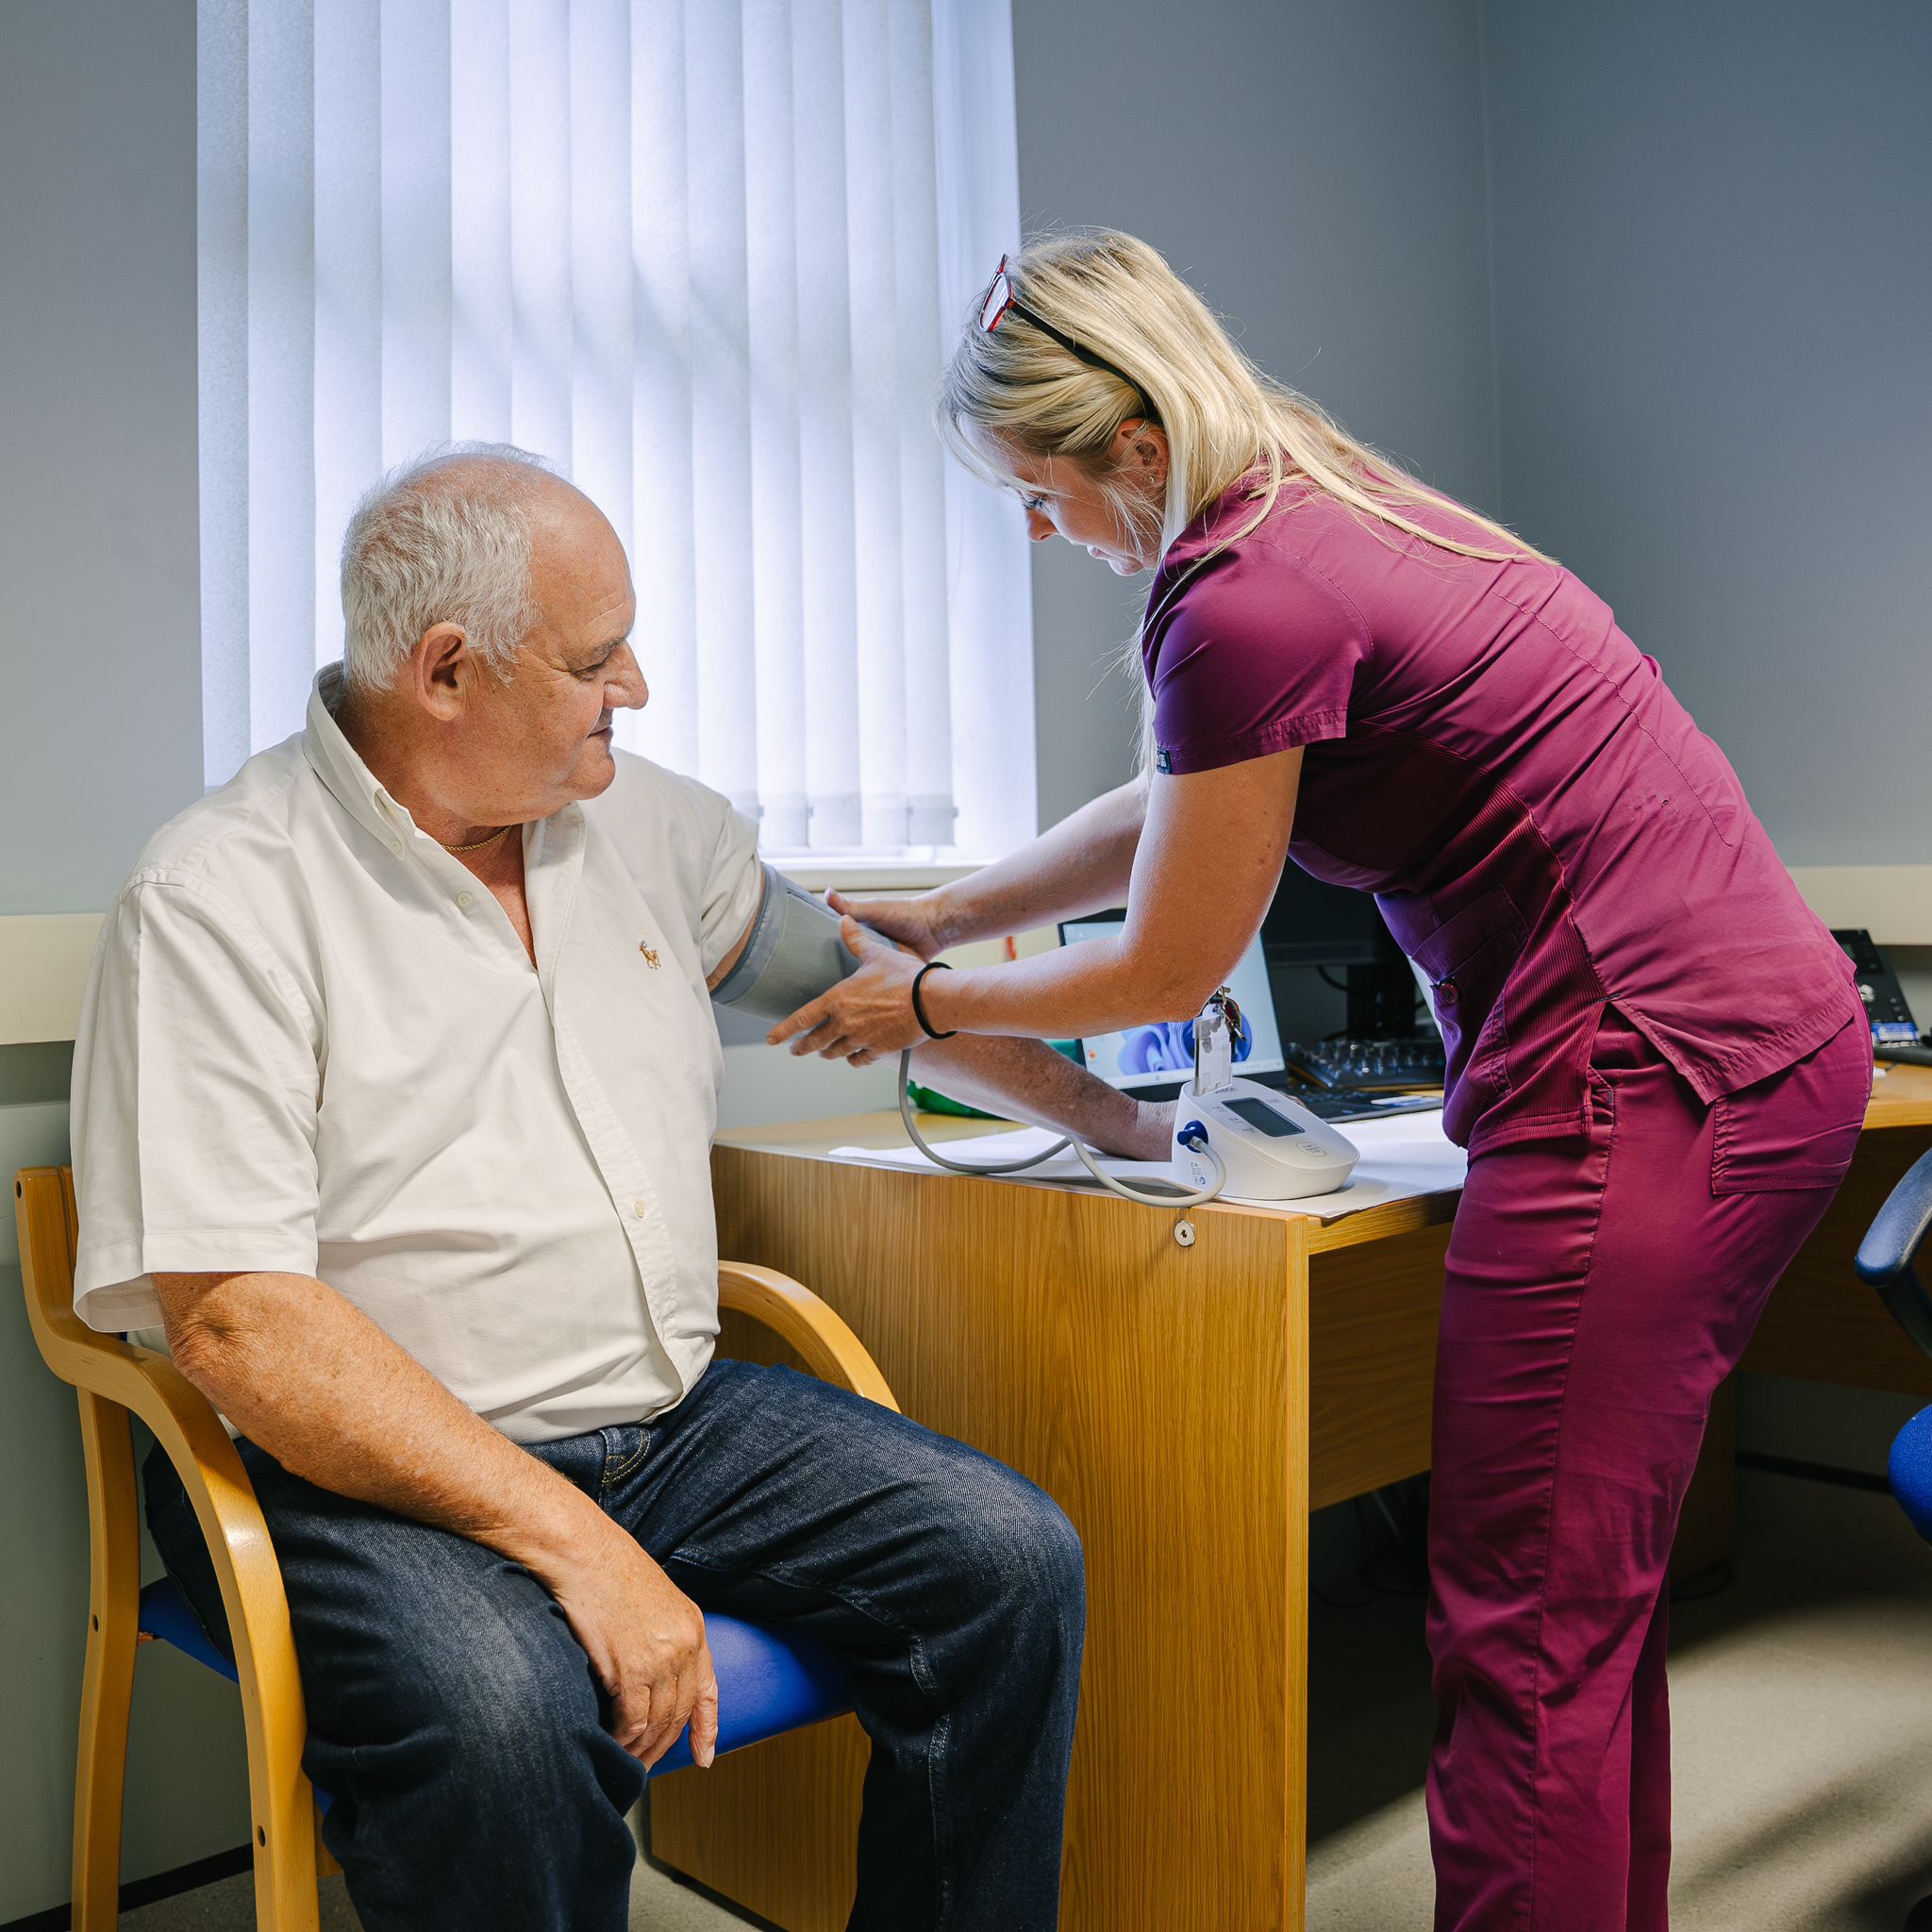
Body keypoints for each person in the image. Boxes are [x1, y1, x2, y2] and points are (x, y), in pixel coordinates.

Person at [769, 232, 1872, 1930]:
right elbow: (1196, 797)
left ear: (1131, 444)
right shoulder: (1323, 503)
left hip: (1646, 1078)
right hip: (1760, 1045)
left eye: (1038, 494)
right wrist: (963, 906)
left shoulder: (1241, 592)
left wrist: (919, 1002)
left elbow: (1162, 969)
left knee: (1520, 1630)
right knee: (1584, 1610)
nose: (1043, 535)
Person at [69, 445, 1160, 1932]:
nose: (633, 688)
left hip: (666, 1418)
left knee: (1008, 1565)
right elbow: (245, 1326)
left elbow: (872, 994)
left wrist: (1112, 1115)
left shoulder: (644, 828)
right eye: (594, 659)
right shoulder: (221, 895)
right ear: (444, 671)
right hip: (356, 1474)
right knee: (507, 1722)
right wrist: (584, 1552)